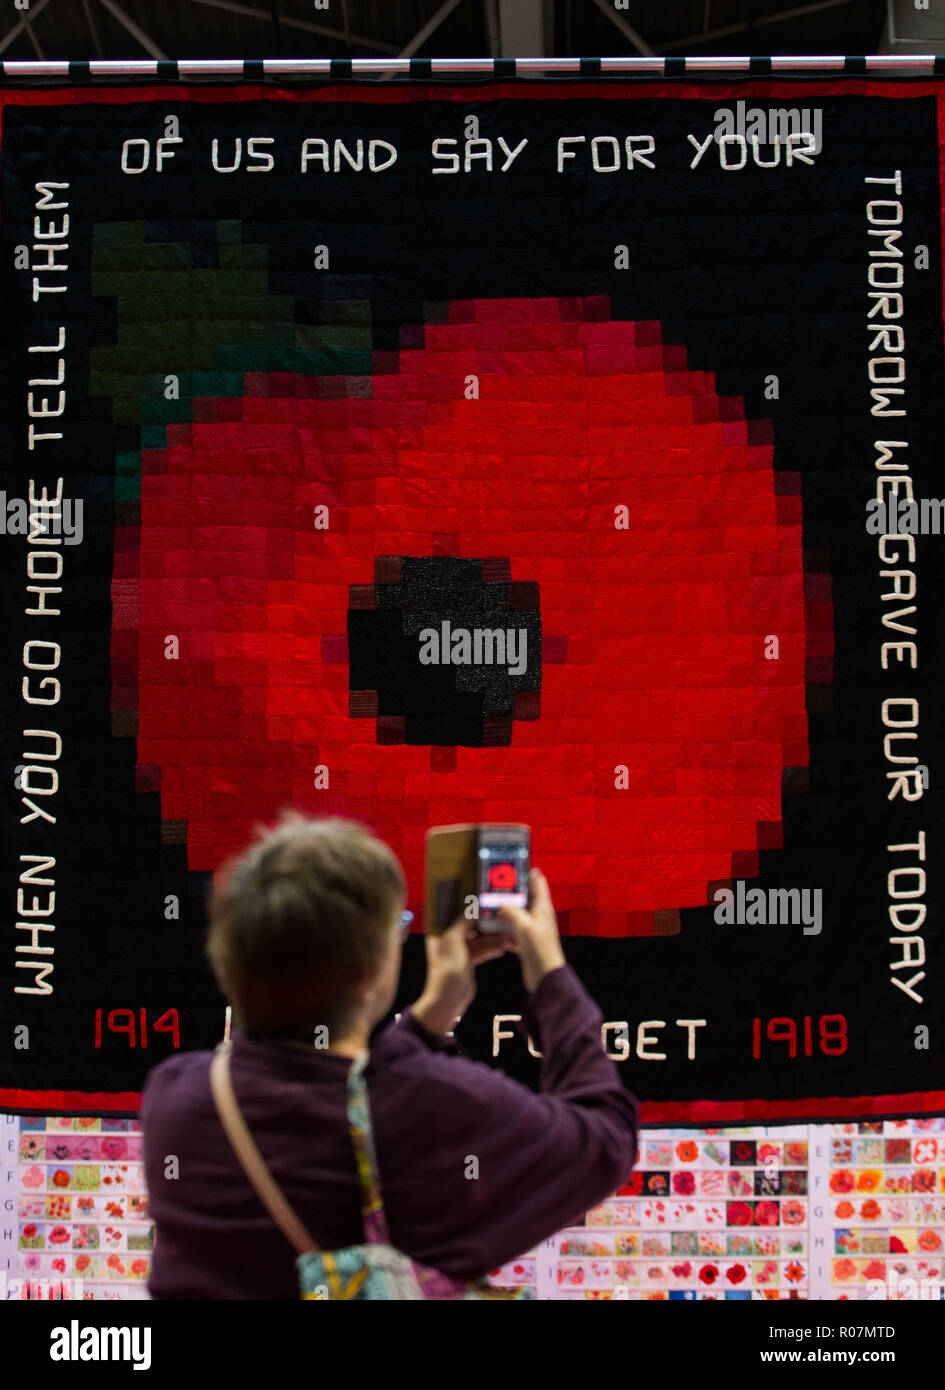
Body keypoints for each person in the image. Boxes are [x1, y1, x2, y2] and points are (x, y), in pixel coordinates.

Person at [141, 813, 639, 1298]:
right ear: (367, 975)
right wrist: (548, 970)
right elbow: (605, 1139)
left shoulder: (177, 1096)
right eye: (398, 929)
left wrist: (425, 1020)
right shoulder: (433, 1104)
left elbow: (350, 1086)